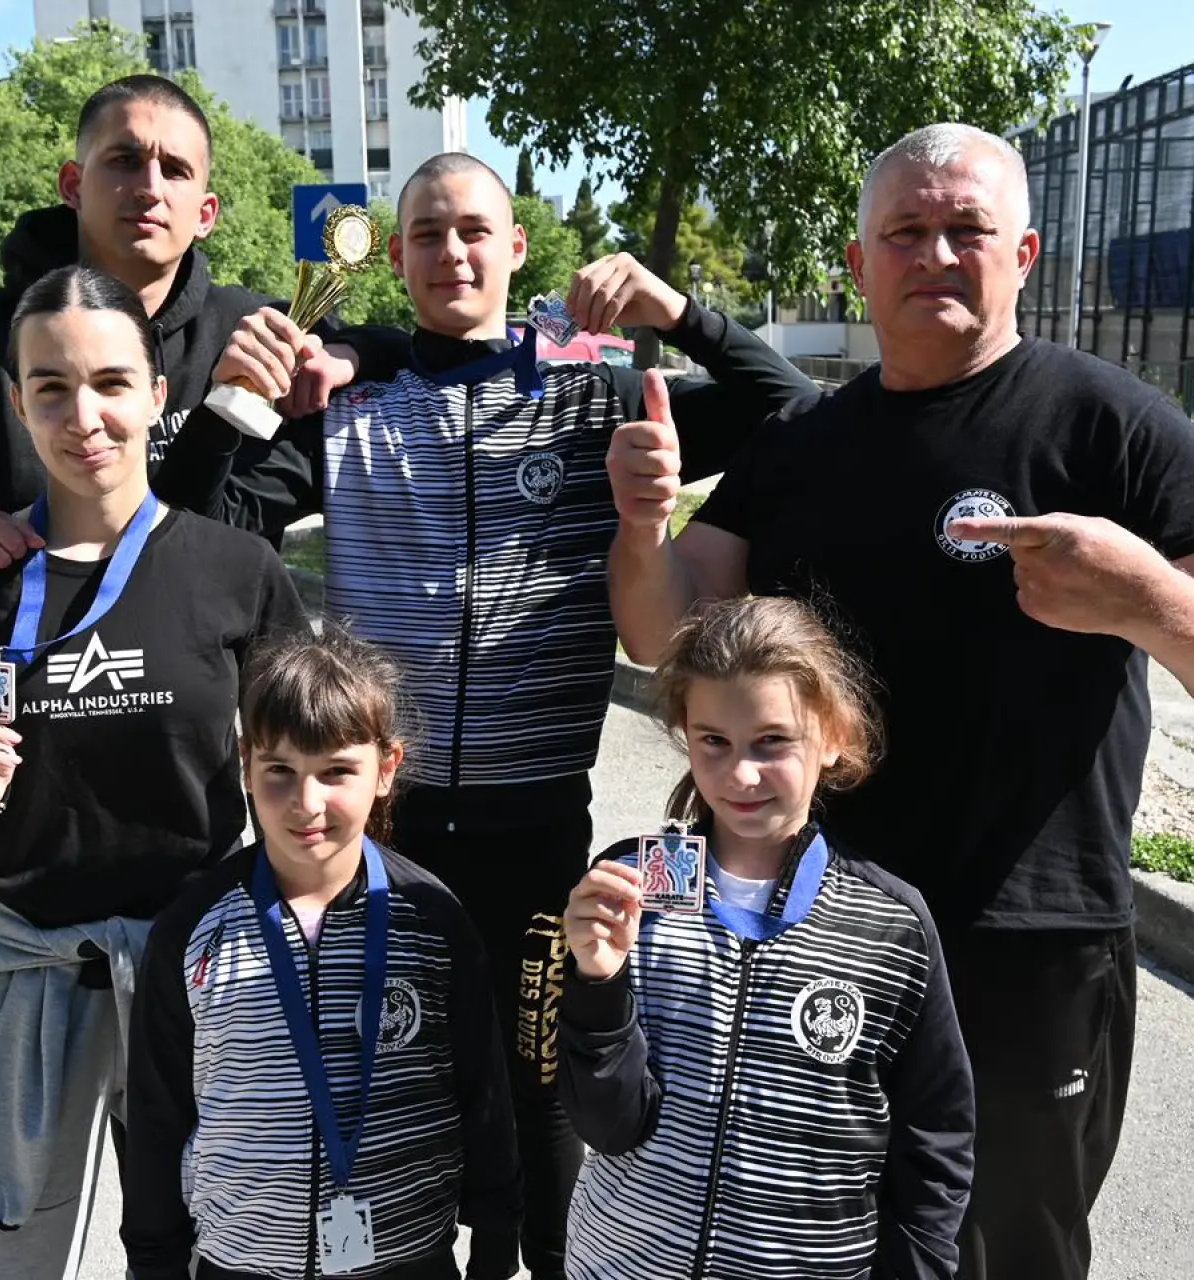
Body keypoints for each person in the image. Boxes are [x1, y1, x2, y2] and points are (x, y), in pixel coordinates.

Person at [604, 122, 1194, 1280]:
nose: (935, 253)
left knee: (1010, 1249)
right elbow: (665, 629)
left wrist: (1147, 597)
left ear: (1023, 253)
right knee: (817, 1228)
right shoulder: (800, 440)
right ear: (859, 263)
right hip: (819, 921)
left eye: (966, 229)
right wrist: (644, 527)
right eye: (905, 232)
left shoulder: (1110, 426)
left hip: (1028, 943)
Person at [180, 152, 818, 1280]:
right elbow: (193, 521)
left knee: (540, 1092)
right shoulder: (347, 406)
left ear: (517, 247)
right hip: (390, 830)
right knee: (400, 1083)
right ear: (394, 256)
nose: (453, 252)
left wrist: (683, 312)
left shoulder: (591, 398)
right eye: (427, 234)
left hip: (535, 826)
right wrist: (237, 397)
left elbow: (796, 410)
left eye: (475, 229)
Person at [0, 72, 402, 998]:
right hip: (12, 874)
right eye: (123, 160)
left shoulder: (257, 335)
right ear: (73, 182)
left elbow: (212, 550)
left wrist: (343, 354)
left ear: (207, 207)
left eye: (174, 168)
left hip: (190, 876)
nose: (149, 185)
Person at [0, 264, 307, 1277]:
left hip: (197, 966)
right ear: (18, 401)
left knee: (213, 1244)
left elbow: (295, 774)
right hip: (31, 966)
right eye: (52, 388)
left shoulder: (237, 569)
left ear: (158, 395)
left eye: (112, 383)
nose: (85, 417)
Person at [559, 595, 973, 1280]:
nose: (740, 774)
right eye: (713, 741)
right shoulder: (632, 888)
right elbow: (607, 1127)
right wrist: (597, 985)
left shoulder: (890, 923)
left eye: (772, 741)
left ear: (833, 734)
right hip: (621, 1263)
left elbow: (936, 1141)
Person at [123, 625, 522, 1280]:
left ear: (386, 769)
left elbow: (483, 1091)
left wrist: (497, 1242)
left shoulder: (432, 920)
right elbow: (157, 1114)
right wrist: (154, 1261)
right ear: (246, 763)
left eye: (337, 771)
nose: (307, 804)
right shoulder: (193, 929)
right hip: (242, 1263)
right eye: (280, 770)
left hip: (408, 1260)